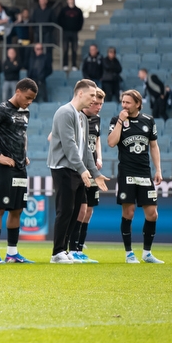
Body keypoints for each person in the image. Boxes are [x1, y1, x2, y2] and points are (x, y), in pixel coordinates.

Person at [46, 79, 108, 264]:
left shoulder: (81, 116)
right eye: (91, 95)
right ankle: (57, 252)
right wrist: (83, 170)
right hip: (63, 168)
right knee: (65, 210)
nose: (94, 99)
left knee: (76, 211)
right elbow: (69, 145)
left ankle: (66, 250)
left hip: (76, 169)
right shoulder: (65, 112)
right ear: (80, 93)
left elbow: (85, 148)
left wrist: (95, 174)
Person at [0, 78, 38, 264]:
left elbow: (23, 134)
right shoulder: (1, 110)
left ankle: (12, 253)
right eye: (27, 97)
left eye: (32, 99)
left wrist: (24, 154)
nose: (29, 101)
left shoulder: (25, 112)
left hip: (20, 167)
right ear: (18, 91)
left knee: (18, 210)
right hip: (4, 168)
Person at [108, 89, 164, 264]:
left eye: (128, 102)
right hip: (127, 173)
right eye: (123, 102)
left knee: (152, 214)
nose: (124, 105)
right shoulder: (116, 120)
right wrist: (120, 122)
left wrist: (158, 169)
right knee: (129, 212)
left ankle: (147, 253)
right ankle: (129, 253)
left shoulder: (148, 120)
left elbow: (154, 146)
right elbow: (111, 143)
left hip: (144, 173)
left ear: (138, 104)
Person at [67, 88, 106, 262]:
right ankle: (71, 246)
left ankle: (79, 248)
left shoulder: (97, 120)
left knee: (88, 210)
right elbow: (54, 137)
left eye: (100, 104)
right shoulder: (75, 116)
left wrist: (100, 157)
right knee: (78, 209)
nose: (98, 107)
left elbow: (96, 139)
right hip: (78, 169)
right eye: (95, 103)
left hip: (92, 168)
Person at [56, 0, 83, 71]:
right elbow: (59, 20)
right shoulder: (63, 10)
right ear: (67, 1)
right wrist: (64, 27)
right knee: (65, 49)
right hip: (66, 32)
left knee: (74, 49)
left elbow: (81, 21)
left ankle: (74, 64)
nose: (71, 1)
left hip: (74, 32)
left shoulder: (78, 10)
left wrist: (77, 28)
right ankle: (65, 64)